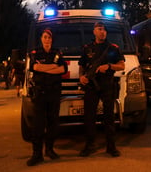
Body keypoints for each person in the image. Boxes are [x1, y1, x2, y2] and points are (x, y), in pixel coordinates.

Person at [78, 22, 125, 157]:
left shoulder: (113, 48)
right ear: (94, 31)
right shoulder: (87, 48)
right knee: (89, 117)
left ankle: (111, 147)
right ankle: (89, 145)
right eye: (99, 29)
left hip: (107, 85)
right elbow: (81, 65)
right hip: (91, 86)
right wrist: (81, 77)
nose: (102, 32)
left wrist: (109, 66)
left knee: (109, 117)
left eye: (104, 30)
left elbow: (122, 66)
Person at [26, 28, 68, 166]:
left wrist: (44, 67)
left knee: (53, 123)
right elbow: (35, 67)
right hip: (40, 93)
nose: (47, 40)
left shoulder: (57, 52)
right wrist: (52, 68)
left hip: (54, 93)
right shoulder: (35, 53)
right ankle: (37, 154)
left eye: (49, 38)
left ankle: (49, 150)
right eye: (45, 37)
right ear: (41, 39)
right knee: (38, 125)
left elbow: (63, 69)